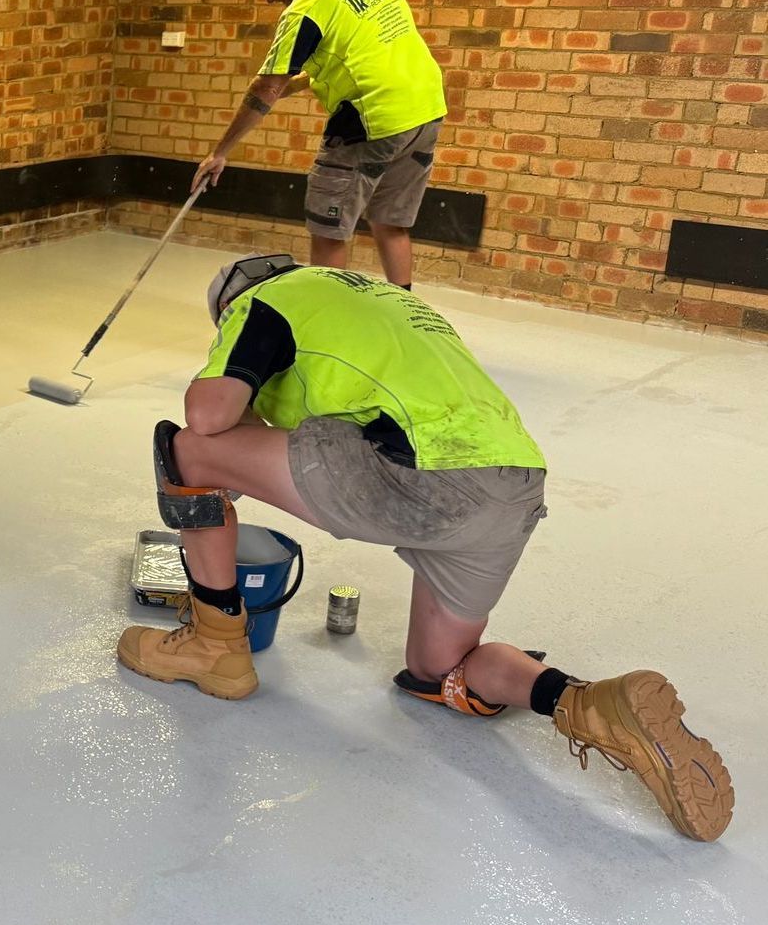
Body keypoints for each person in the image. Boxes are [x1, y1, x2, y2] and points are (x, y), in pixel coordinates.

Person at [115, 255, 734, 842]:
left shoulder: (262, 301)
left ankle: (214, 645)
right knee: (442, 673)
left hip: (420, 476)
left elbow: (208, 412)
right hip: (511, 486)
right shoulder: (379, 302)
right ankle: (584, 700)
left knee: (184, 451)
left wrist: (223, 422)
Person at [191, 0, 446, 290]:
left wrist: (220, 153)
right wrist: (290, 86)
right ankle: (406, 315)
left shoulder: (304, 8)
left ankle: (329, 320)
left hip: (369, 119)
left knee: (328, 229)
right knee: (390, 223)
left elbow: (265, 87)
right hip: (425, 109)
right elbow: (359, 50)